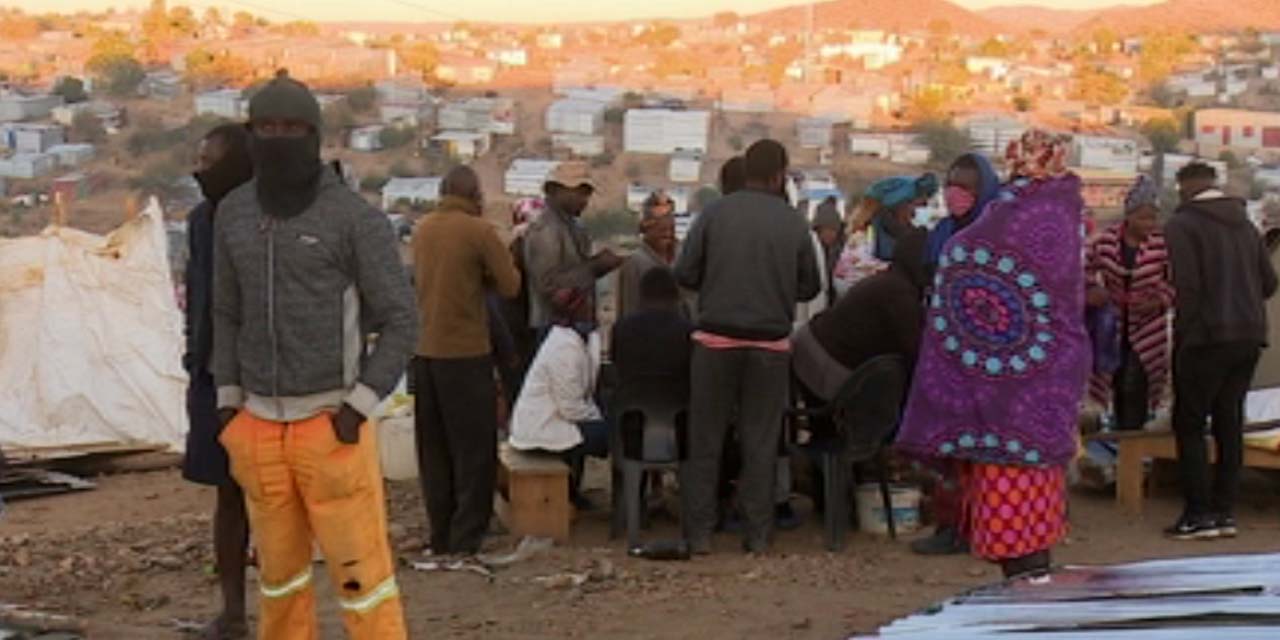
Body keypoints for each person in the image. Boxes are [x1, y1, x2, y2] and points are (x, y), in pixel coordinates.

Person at [212, 71, 416, 639]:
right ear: (251, 134)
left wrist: (358, 407)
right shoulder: (232, 214)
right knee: (278, 579)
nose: (278, 138)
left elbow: (403, 320)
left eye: (292, 128)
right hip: (258, 429)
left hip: (332, 426)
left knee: (362, 580)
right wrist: (230, 405)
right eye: (266, 127)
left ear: (315, 135)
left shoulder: (354, 220)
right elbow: (225, 314)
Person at [895, 129, 1090, 579]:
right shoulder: (1066, 211)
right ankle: (1032, 588)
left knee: (1010, 511)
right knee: (1035, 506)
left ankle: (1023, 601)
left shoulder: (1014, 213)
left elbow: (964, 257)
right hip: (1050, 380)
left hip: (1005, 396)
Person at [675, 139, 822, 554]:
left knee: (705, 440)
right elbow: (811, 285)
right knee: (760, 442)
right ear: (779, 175)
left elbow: (685, 273)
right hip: (770, 347)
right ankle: (758, 535)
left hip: (714, 343)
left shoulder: (714, 213)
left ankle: (700, 534)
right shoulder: (793, 223)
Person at [410, 166, 521, 557]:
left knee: (434, 450)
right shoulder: (479, 231)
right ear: (475, 195)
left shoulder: (422, 229)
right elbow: (511, 285)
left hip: (424, 353)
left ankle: (440, 534)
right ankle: (466, 537)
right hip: (466, 352)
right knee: (474, 450)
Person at [1164, 161, 1278, 540]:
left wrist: (1184, 336)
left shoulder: (1182, 225)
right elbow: (1268, 283)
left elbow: (1188, 288)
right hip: (1249, 336)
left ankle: (1198, 514)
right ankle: (1225, 513)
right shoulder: (1245, 225)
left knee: (1190, 424)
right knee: (1229, 423)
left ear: (1184, 188)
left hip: (1205, 339)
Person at [182, 123, 254, 640]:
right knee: (228, 496)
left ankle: (285, 613)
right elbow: (199, 295)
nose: (198, 170)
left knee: (278, 499)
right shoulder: (201, 221)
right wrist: (196, 359)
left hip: (263, 380)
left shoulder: (266, 220)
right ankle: (233, 613)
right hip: (212, 377)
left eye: (209, 162)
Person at [1086, 175, 1175, 432]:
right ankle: (1120, 442)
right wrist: (1094, 290)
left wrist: (1159, 300)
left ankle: (1130, 441)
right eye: (1142, 217)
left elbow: (1175, 283)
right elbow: (1086, 269)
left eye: (1152, 217)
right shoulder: (1105, 241)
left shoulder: (1162, 244)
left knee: (1136, 384)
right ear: (1129, 215)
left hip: (1148, 328)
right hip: (1111, 327)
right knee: (1115, 380)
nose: (1148, 223)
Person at [509, 287, 608, 508]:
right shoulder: (562, 347)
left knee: (604, 423)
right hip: (542, 428)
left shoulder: (581, 338)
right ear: (575, 311)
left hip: (559, 418)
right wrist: (600, 421)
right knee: (611, 435)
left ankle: (572, 492)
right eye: (586, 306)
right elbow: (571, 408)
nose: (593, 310)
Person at [524, 176, 622, 335]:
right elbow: (548, 284)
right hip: (554, 327)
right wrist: (596, 266)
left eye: (587, 193)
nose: (585, 199)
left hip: (574, 324)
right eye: (579, 192)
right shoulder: (546, 230)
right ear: (556, 191)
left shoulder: (571, 226)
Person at [833, 174, 938, 296]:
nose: (915, 212)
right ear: (898, 205)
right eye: (913, 204)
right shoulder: (865, 234)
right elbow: (847, 278)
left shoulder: (910, 232)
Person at [927, 153, 1001, 269]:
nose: (953, 192)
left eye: (964, 187)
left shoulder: (998, 234)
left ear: (984, 191)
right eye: (950, 185)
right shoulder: (942, 230)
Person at [617, 206, 679, 321]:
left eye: (671, 229)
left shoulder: (680, 259)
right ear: (647, 231)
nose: (668, 234)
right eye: (662, 229)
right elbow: (629, 306)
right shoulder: (635, 262)